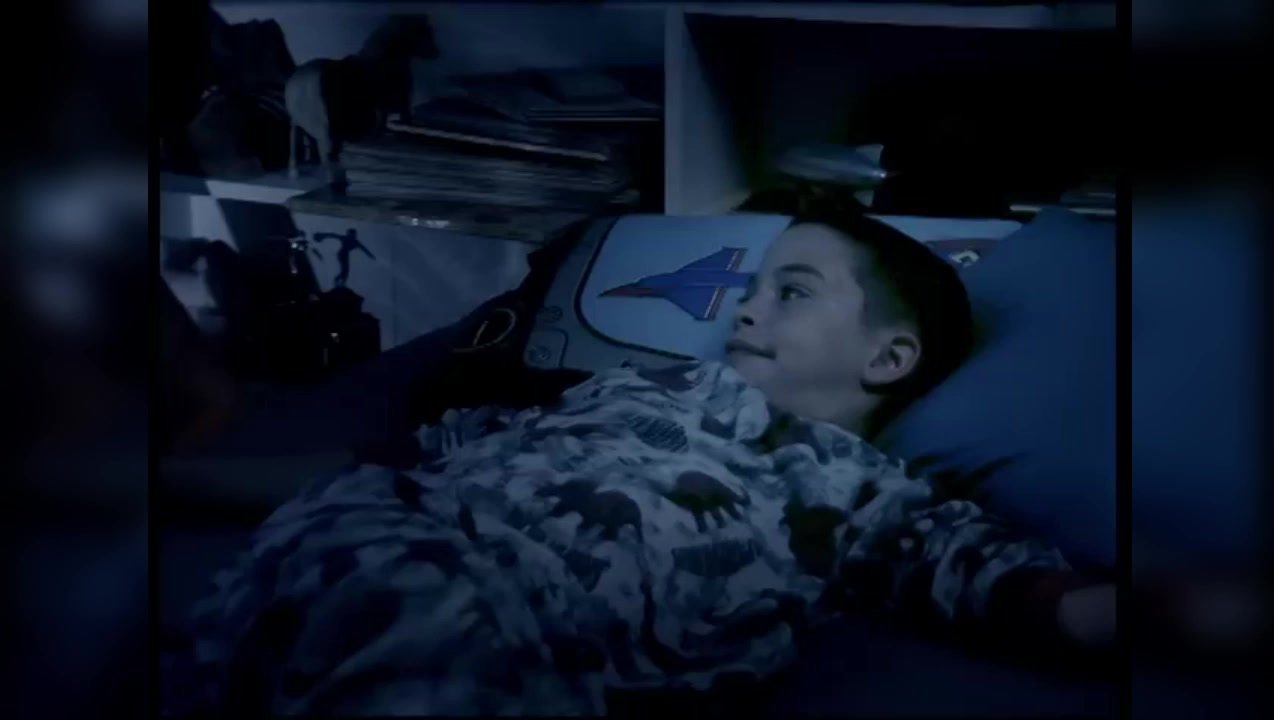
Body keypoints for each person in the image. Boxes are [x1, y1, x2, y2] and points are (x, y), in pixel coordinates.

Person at [165, 200, 1115, 716]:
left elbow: (994, 580)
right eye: (752, 288)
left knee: (412, 622)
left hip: (486, 620)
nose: (746, 309)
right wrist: (170, 481)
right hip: (352, 541)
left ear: (889, 358)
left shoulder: (852, 489)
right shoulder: (631, 385)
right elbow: (391, 458)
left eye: (792, 293)